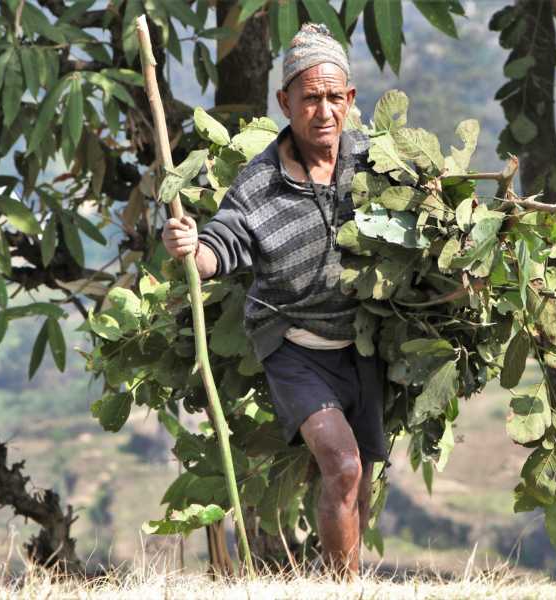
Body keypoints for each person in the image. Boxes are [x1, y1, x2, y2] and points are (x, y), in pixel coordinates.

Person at [161, 23, 386, 574]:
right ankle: (342, 589)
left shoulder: (379, 166)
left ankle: (344, 578)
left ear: (351, 100)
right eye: (310, 99)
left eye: (335, 97)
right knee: (344, 465)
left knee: (362, 479)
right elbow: (222, 245)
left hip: (364, 343)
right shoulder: (258, 183)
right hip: (294, 347)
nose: (325, 111)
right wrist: (193, 248)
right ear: (285, 102)